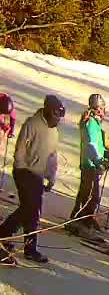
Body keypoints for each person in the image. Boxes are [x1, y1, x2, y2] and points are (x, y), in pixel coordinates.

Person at [3, 96, 65, 265]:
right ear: (47, 111)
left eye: (59, 117)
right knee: (32, 211)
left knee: (27, 209)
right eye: (55, 116)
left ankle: (3, 234)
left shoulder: (54, 131)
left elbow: (52, 156)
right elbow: (21, 148)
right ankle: (30, 249)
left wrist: (51, 177)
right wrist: (21, 168)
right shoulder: (32, 124)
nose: (57, 120)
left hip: (38, 174)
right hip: (25, 171)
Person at [70, 93, 109, 236]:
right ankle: (81, 222)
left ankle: (82, 219)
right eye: (102, 109)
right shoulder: (91, 123)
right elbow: (90, 145)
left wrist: (107, 155)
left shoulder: (95, 124)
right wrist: (99, 160)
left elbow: (98, 144)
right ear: (97, 109)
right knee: (92, 196)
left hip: (92, 165)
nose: (104, 112)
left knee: (87, 193)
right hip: (89, 165)